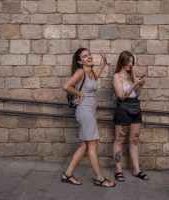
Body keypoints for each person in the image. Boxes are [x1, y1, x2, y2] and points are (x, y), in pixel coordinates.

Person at [62, 48, 116, 187]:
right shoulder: (80, 72)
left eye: (89, 54)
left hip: (89, 110)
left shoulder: (89, 72)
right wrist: (80, 95)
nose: (89, 57)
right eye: (85, 56)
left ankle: (67, 174)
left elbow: (95, 76)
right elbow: (66, 86)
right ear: (80, 61)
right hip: (84, 110)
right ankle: (99, 178)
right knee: (93, 144)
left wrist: (103, 64)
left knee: (86, 145)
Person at [112, 50, 149, 182]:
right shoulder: (117, 76)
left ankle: (136, 170)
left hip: (135, 107)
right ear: (122, 61)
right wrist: (134, 84)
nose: (130, 65)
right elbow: (122, 96)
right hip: (123, 109)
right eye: (129, 62)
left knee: (134, 141)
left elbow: (136, 94)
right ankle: (118, 170)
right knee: (119, 140)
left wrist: (139, 86)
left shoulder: (130, 75)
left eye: (132, 63)